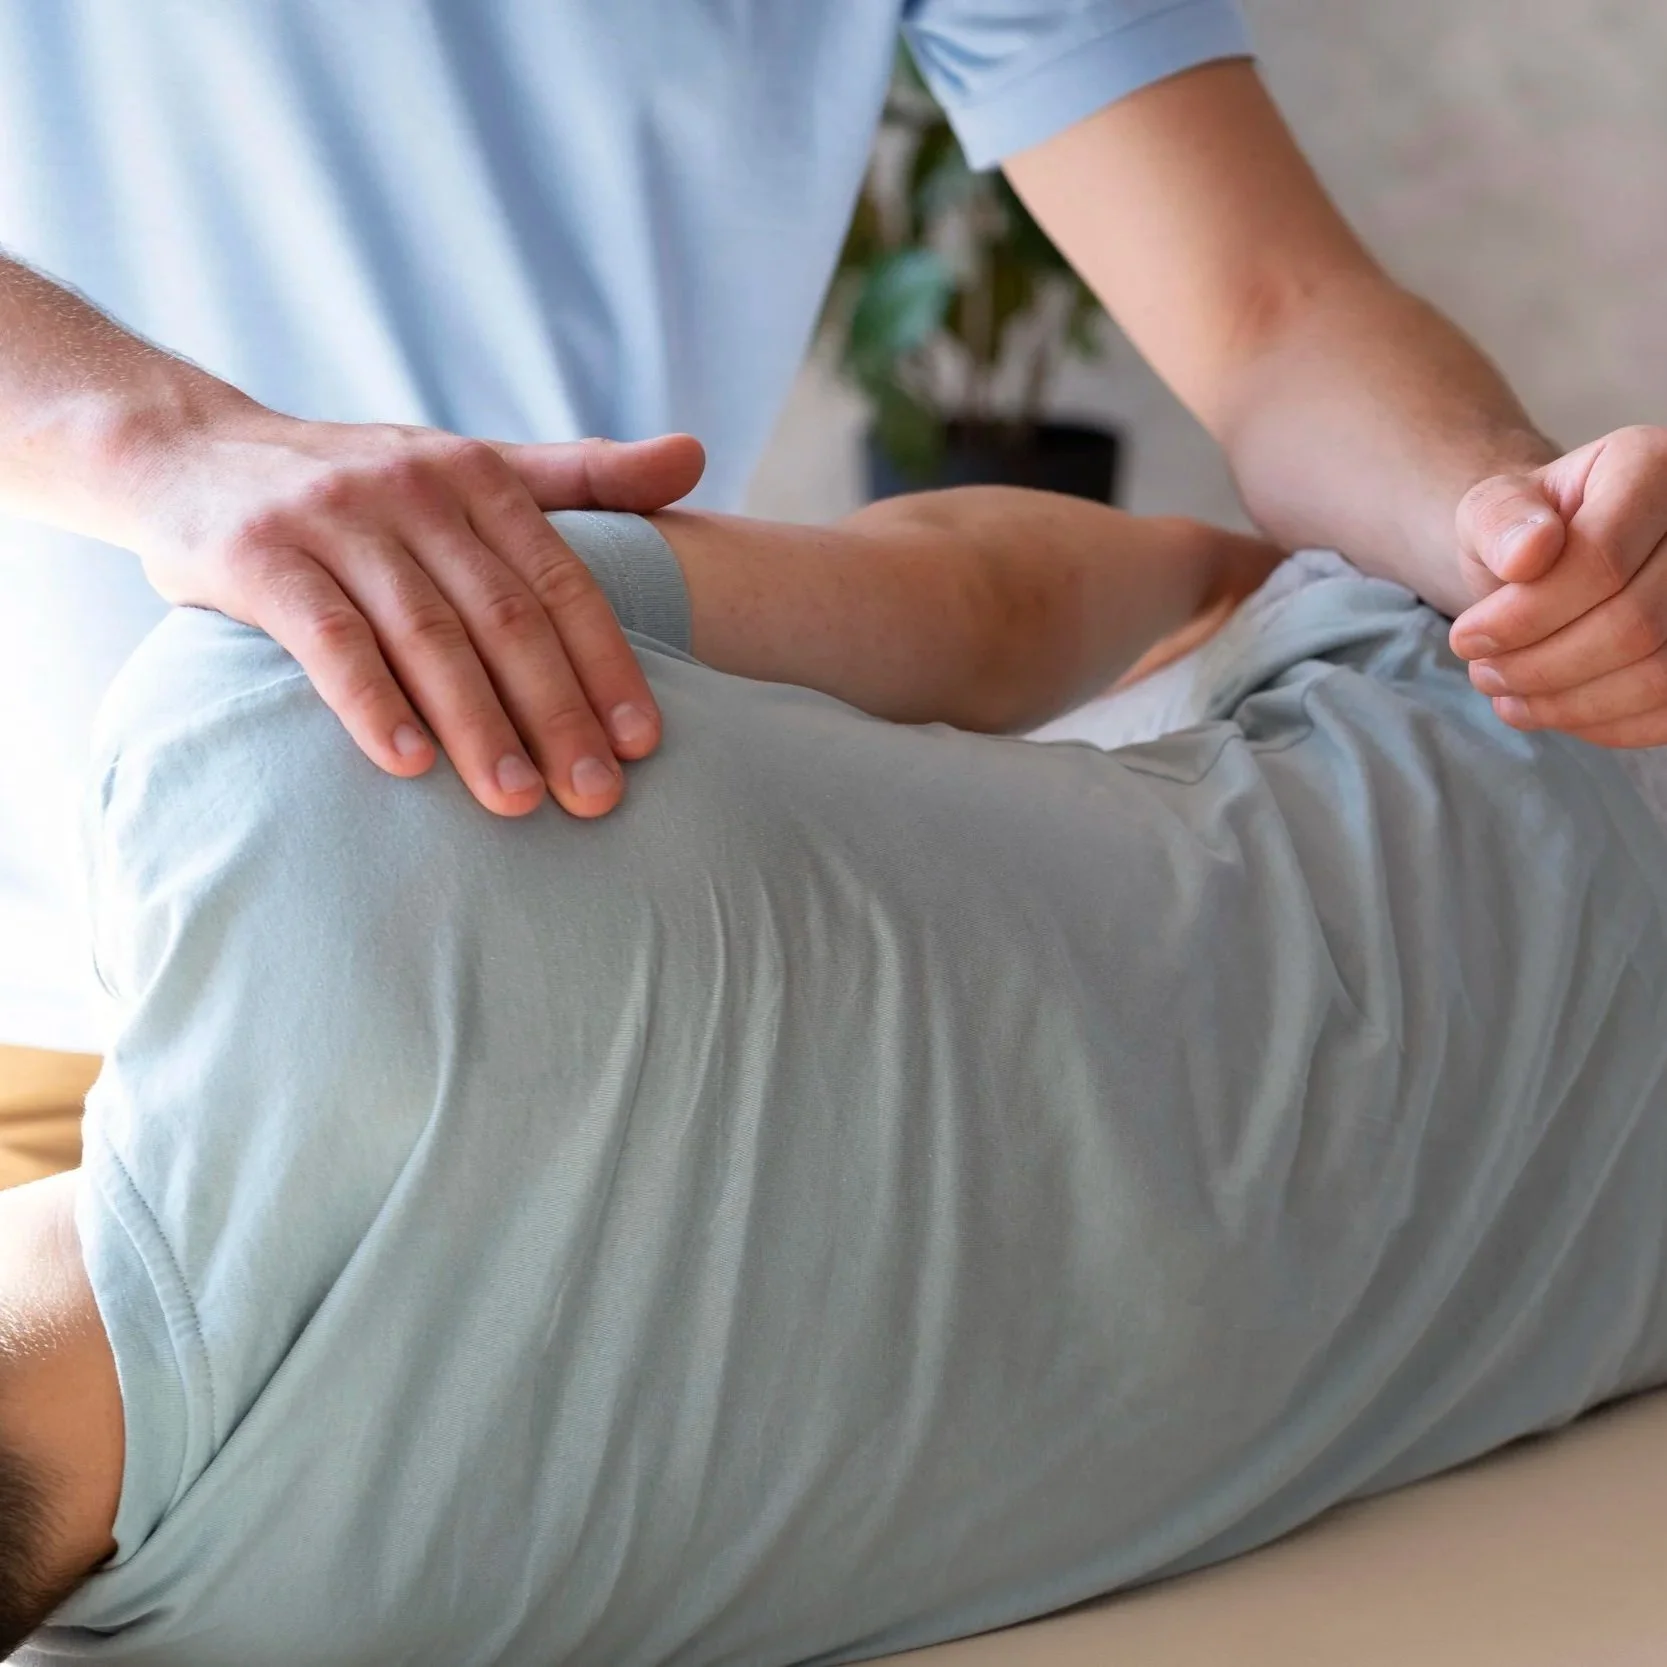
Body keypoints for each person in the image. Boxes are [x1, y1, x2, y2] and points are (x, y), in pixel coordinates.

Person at [5, 2, 1667, 1187]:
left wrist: (1503, 521)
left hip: (546, 1032)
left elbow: (1273, 306)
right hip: (39, 1028)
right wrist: (160, 436)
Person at [4, 491, 1666, 1664]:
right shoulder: (277, 729)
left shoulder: (323, 1636)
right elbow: (998, 602)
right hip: (1563, 721)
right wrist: (1241, 572)